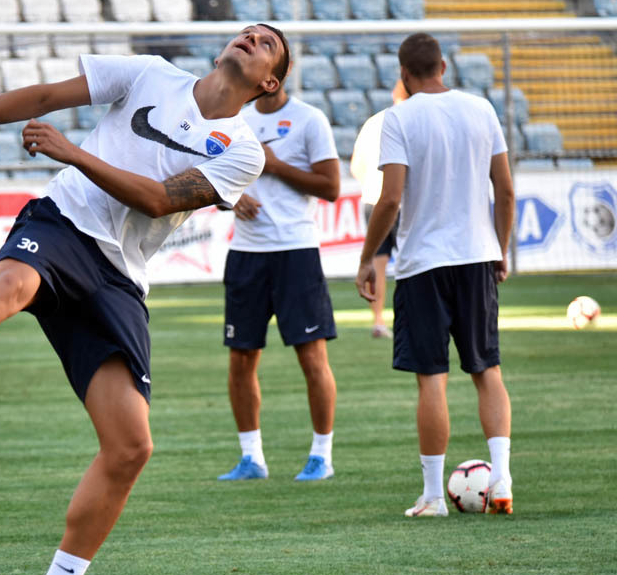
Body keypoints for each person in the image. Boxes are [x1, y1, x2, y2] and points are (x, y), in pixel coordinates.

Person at [0, 25, 290, 575]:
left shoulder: (243, 152)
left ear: (270, 82)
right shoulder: (147, 74)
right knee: (10, 284)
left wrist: (74, 152)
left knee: (132, 446)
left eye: (267, 43)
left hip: (118, 277)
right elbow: (47, 94)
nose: (251, 37)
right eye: (248, 31)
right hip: (61, 221)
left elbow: (160, 199)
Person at [355, 33, 515, 518]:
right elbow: (505, 191)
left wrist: (366, 258)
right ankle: (502, 479)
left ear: (402, 74)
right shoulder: (482, 109)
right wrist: (499, 251)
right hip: (476, 257)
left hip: (423, 265)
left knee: (432, 378)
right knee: (487, 370)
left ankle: (431, 496)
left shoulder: (398, 118)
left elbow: (390, 198)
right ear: (443, 65)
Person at [218, 85, 340, 482]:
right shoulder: (238, 119)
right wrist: (232, 198)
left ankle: (321, 456)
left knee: (311, 358)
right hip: (247, 255)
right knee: (241, 359)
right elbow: (215, 177)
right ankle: (251, 458)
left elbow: (331, 187)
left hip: (296, 252)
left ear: (279, 75)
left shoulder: (310, 119)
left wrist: (274, 166)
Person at [350, 79, 408, 338]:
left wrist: (371, 185)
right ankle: (411, 319)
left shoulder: (373, 122)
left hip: (373, 199)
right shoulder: (413, 120)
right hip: (405, 200)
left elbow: (355, 166)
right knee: (412, 264)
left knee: (378, 264)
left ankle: (378, 321)